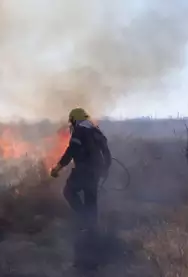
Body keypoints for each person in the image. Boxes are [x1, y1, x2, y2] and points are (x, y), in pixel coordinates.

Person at [50, 107, 112, 270]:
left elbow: (72, 150)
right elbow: (106, 151)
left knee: (68, 191)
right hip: (95, 172)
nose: (71, 125)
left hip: (84, 170)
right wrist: (105, 169)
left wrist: (58, 167)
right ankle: (92, 230)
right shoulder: (95, 130)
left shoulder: (80, 131)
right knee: (92, 202)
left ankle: (84, 218)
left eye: (71, 122)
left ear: (75, 120)